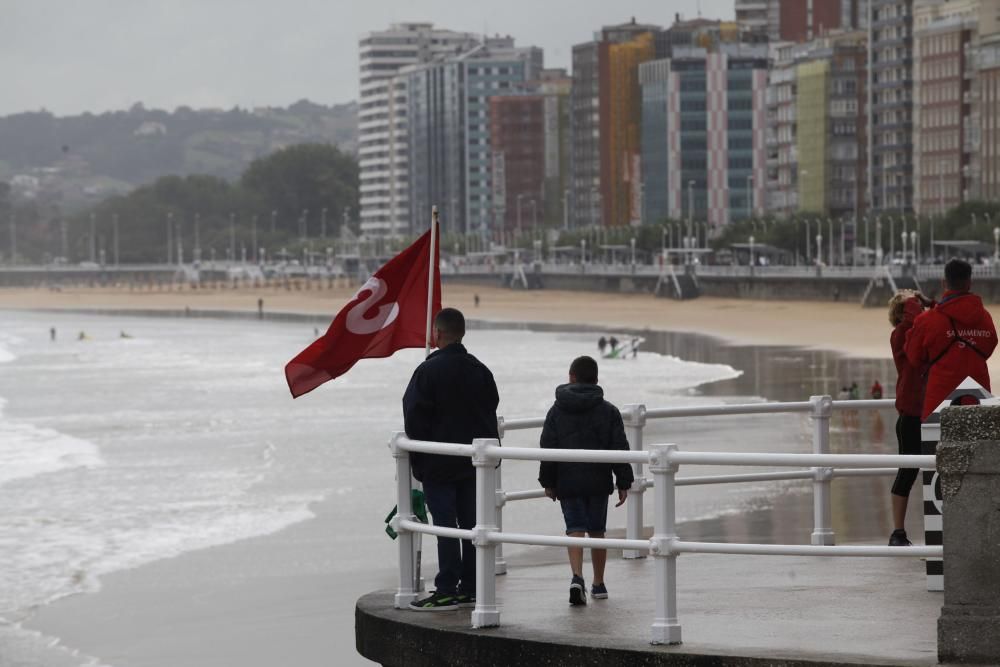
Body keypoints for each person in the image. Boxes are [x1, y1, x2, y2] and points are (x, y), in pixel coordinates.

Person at [403, 308, 500, 611]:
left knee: (445, 526)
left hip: (439, 463)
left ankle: (446, 588)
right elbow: (490, 410)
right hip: (474, 464)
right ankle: (471, 586)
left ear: (437, 334)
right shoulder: (480, 370)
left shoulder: (428, 372)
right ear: (462, 333)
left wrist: (419, 459)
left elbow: (414, 417)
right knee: (472, 525)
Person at [538, 355, 634, 606]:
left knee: (575, 529)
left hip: (568, 480)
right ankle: (599, 583)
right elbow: (619, 448)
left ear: (571, 377)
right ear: (596, 379)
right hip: (598, 479)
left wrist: (548, 480)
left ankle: (577, 577)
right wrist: (624, 481)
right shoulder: (609, 411)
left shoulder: (556, 410)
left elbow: (547, 447)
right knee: (597, 531)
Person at [905, 258, 997, 420]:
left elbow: (914, 357)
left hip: (940, 406)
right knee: (980, 443)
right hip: (978, 403)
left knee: (935, 445)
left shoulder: (927, 320)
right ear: (969, 283)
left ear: (944, 282)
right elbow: (989, 346)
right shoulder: (985, 318)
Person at [887, 290, 931, 547]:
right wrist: (917, 300)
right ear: (903, 313)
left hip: (925, 409)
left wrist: (923, 302)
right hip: (911, 411)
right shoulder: (900, 334)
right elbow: (915, 317)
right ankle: (898, 532)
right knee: (908, 471)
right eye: (910, 303)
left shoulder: (919, 330)